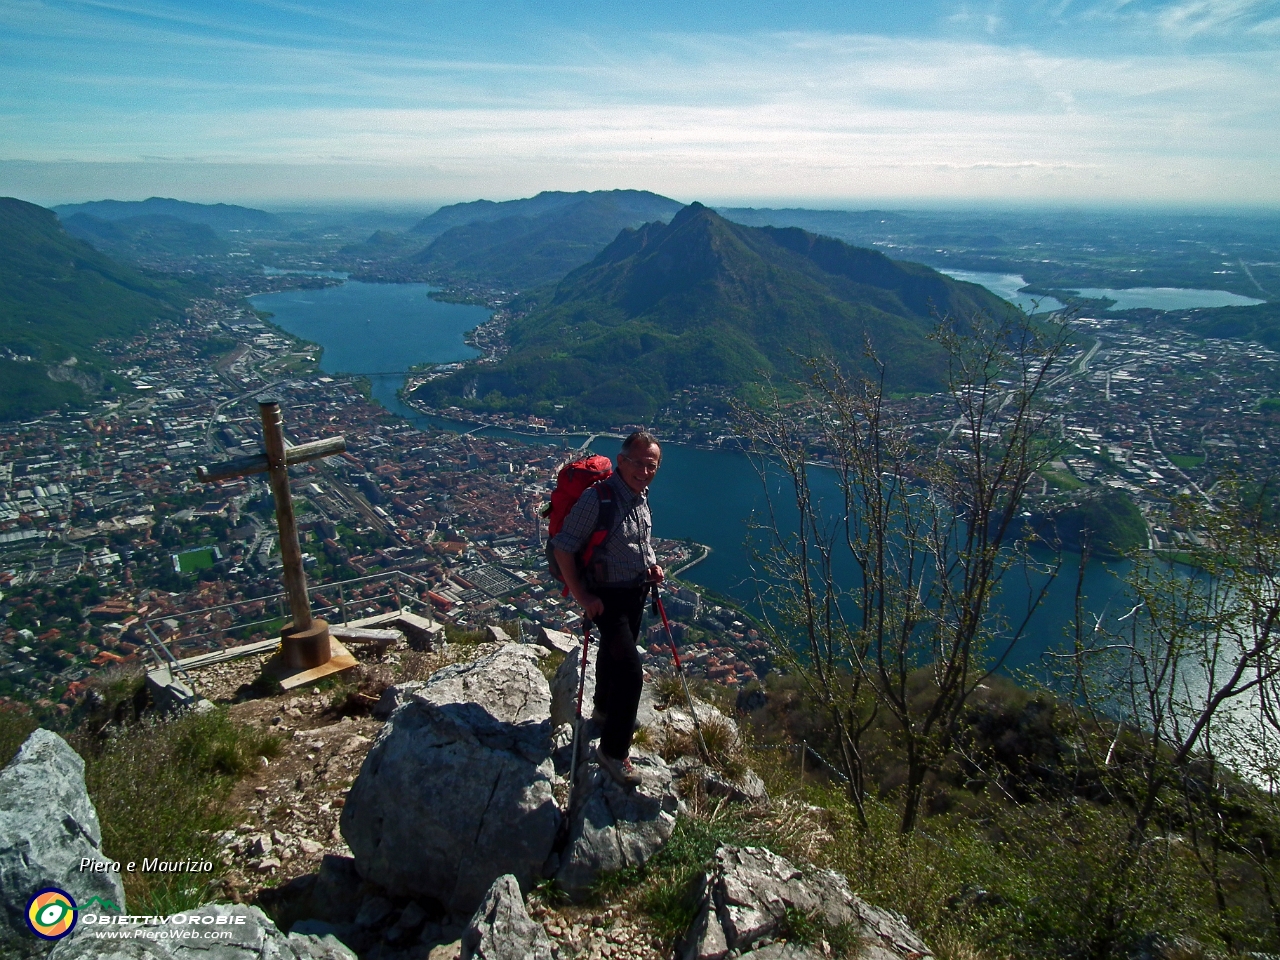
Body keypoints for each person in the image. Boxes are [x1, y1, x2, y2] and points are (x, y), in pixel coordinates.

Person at [551, 431, 663, 788]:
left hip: (635, 592)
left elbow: (637, 541)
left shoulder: (638, 496)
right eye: (638, 463)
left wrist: (652, 566)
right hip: (607, 597)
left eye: (652, 465)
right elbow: (562, 547)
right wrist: (583, 597)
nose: (645, 471)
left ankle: (601, 710)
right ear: (621, 460)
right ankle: (614, 752)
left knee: (614, 659)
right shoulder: (596, 498)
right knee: (631, 672)